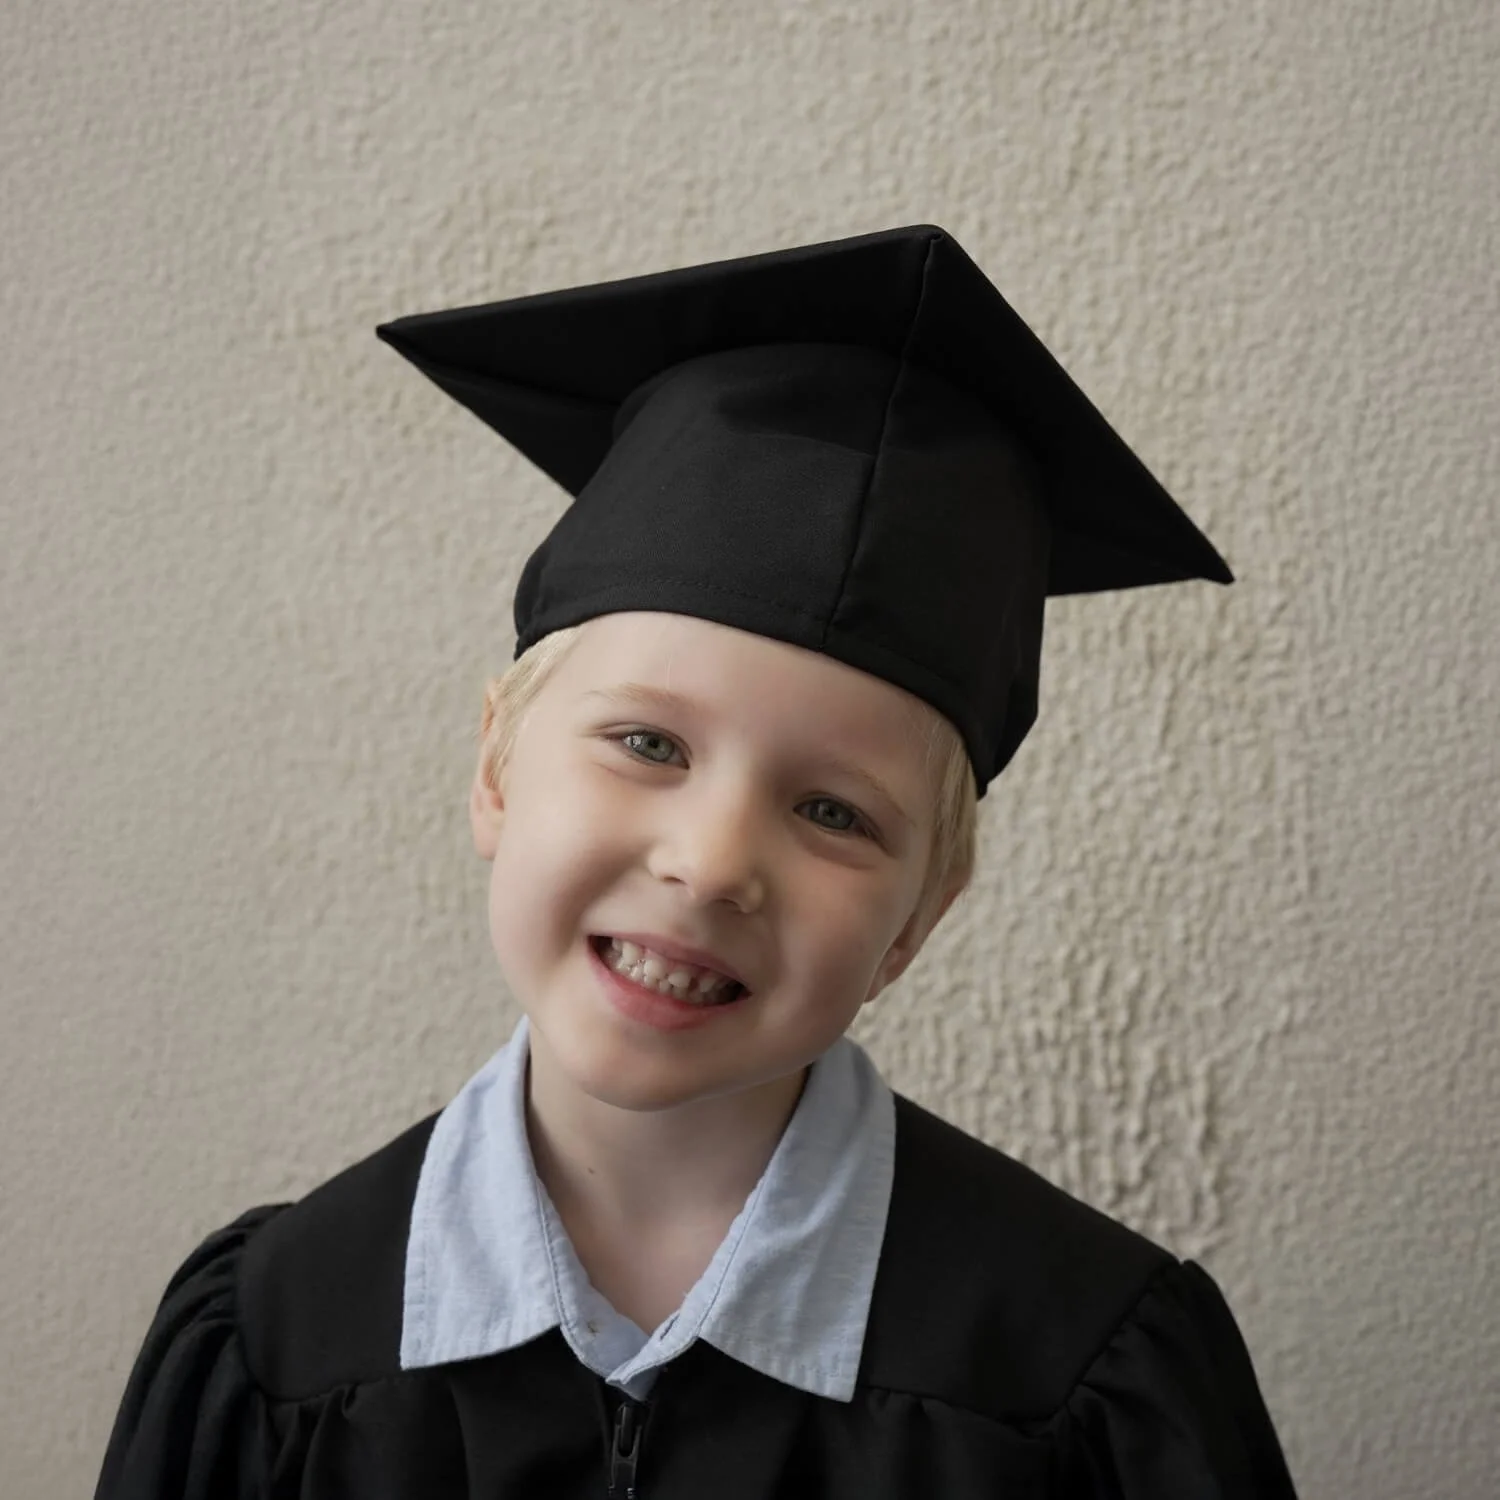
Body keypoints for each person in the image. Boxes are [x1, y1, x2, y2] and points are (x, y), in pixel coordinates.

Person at [94, 224, 1300, 1497]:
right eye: (646, 742)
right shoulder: (274, 1344)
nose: (714, 860)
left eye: (836, 813)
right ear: (498, 766)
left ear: (918, 921)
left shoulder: (1089, 1378)